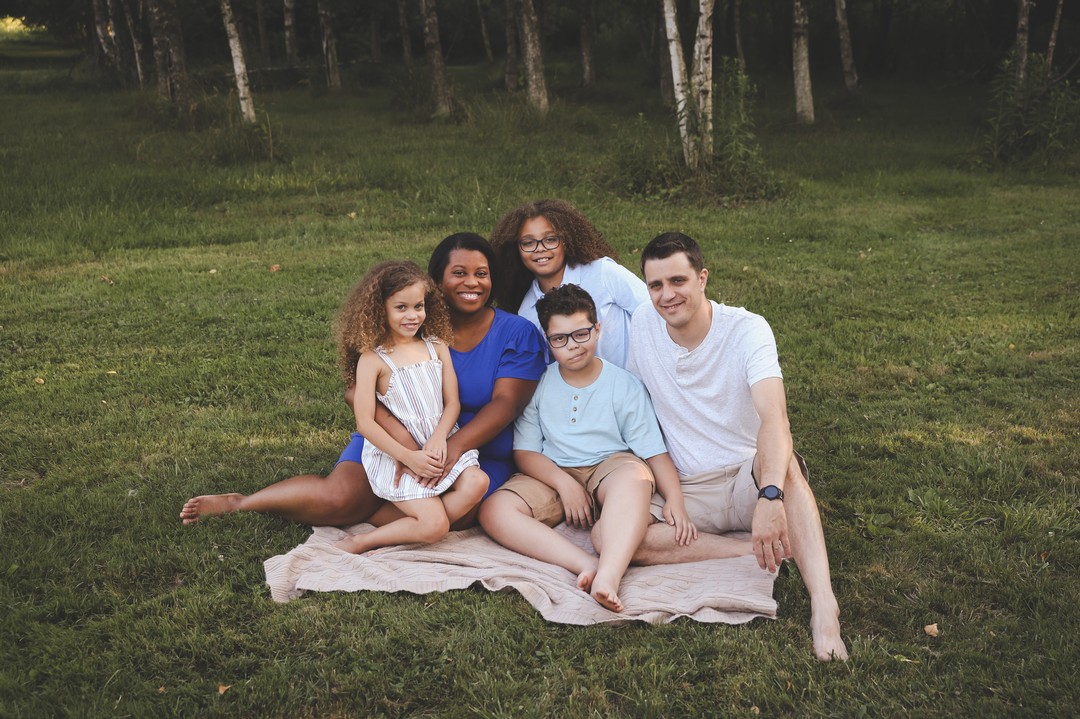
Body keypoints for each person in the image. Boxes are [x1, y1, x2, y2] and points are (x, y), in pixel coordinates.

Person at [180, 233, 546, 529]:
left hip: (471, 449)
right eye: (459, 273)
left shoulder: (516, 332)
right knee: (338, 500)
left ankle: (375, 514)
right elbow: (355, 392)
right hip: (391, 436)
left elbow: (505, 405)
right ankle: (242, 502)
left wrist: (446, 452)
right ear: (436, 282)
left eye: (482, 273)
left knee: (461, 514)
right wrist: (405, 445)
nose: (472, 283)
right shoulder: (407, 321)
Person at [623, 232, 849, 661]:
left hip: (748, 477)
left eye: (678, 281)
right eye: (656, 285)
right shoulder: (642, 323)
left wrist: (769, 495)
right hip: (688, 489)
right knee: (611, 537)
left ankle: (824, 604)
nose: (667, 295)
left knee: (785, 467)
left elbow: (774, 418)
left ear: (702, 278)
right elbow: (635, 404)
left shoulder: (746, 329)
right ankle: (749, 548)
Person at [478, 284, 694, 613]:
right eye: (560, 339)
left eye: (581, 334)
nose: (573, 346)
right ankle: (585, 563)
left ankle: (610, 575)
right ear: (548, 340)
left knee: (635, 477)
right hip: (554, 470)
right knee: (494, 510)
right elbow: (525, 452)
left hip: (610, 466)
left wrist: (675, 499)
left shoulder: (624, 385)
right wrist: (564, 484)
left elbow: (653, 452)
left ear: (597, 328)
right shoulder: (539, 383)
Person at [332, 261, 488, 553]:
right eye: (401, 308)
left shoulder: (436, 346)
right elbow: (365, 422)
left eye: (418, 306)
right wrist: (409, 457)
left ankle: (424, 520)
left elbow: (452, 403)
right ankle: (365, 540)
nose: (412, 315)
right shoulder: (373, 360)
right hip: (398, 454)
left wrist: (439, 438)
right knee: (435, 527)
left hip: (440, 442)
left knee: (478, 482)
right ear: (380, 310)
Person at [490, 199, 648, 368]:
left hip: (638, 378)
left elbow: (654, 312)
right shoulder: (526, 313)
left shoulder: (603, 272)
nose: (539, 248)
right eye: (528, 242)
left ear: (566, 240)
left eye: (550, 239)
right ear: (516, 249)